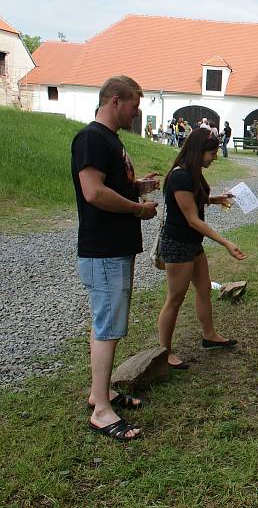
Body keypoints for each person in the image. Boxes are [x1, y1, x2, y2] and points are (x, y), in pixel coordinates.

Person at [72, 75, 159, 441]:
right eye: (134, 107)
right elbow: (93, 192)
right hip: (104, 248)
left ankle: (100, 393)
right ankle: (102, 413)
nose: (135, 114)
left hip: (115, 247)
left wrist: (137, 187)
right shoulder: (91, 138)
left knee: (105, 323)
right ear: (115, 102)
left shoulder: (110, 140)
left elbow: (109, 185)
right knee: (109, 327)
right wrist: (138, 209)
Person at [157, 128, 246, 369]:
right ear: (198, 152)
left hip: (193, 244)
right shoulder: (180, 177)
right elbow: (192, 218)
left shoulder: (192, 174)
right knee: (175, 299)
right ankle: (164, 353)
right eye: (212, 153)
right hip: (178, 244)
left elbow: (193, 199)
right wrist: (226, 242)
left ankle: (209, 336)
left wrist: (215, 198)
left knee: (204, 289)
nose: (214, 157)